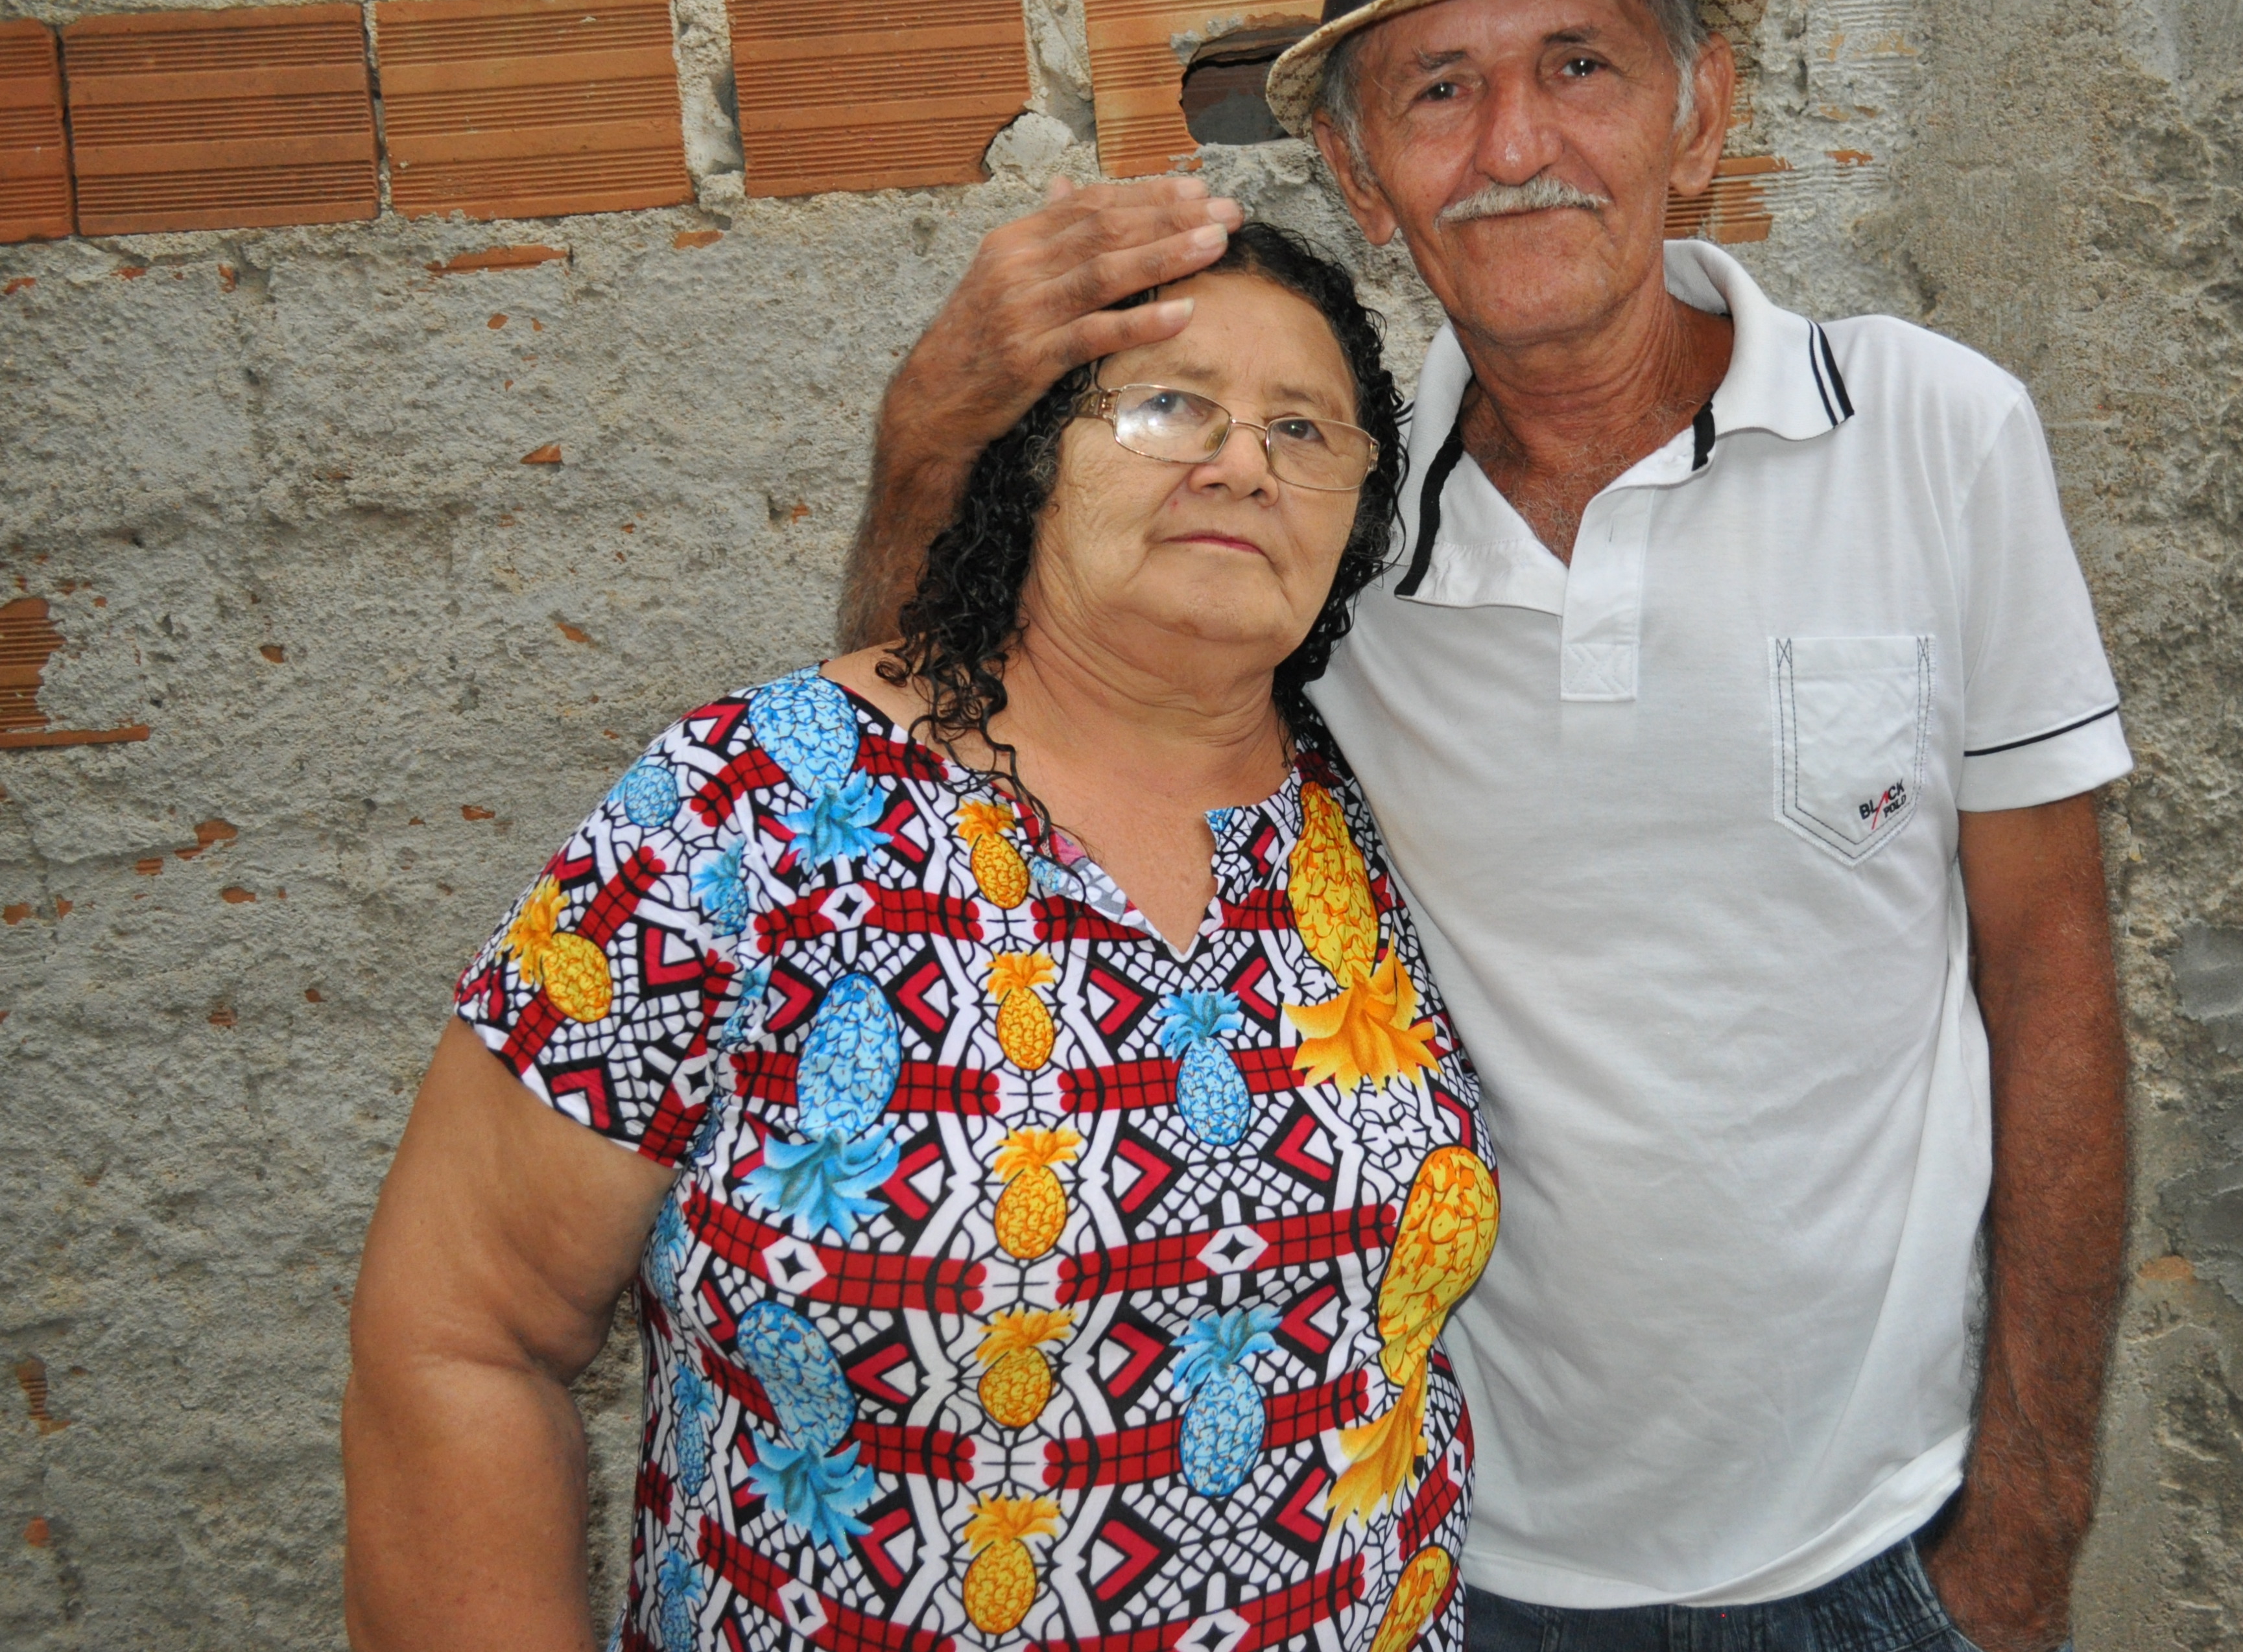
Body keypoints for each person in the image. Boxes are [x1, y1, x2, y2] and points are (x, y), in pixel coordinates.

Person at [840, 0, 2133, 1651]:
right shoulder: (1318, 536)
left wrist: (2030, 1518)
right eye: (1438, 91)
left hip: (1884, 1548)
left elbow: (2053, 968)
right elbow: (918, 775)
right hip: (1448, 1567)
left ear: (1698, 114)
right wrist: (926, 436)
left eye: (1579, 65)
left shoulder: (1933, 434)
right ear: (1362, 174)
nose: (1515, 147)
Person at [344, 223, 1500, 1652]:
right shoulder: (744, 809)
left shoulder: (1382, 811)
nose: (1242, 465)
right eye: (1168, 406)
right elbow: (461, 1333)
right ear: (1032, 459)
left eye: (1303, 428)